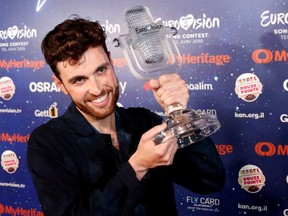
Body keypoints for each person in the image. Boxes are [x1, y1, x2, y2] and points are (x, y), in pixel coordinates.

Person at [27, 16, 225, 216]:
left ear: (112, 62)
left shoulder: (144, 121)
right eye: (79, 80)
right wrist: (137, 166)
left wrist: (178, 113)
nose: (97, 89)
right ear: (60, 84)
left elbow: (210, 181)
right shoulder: (47, 143)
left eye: (101, 70)